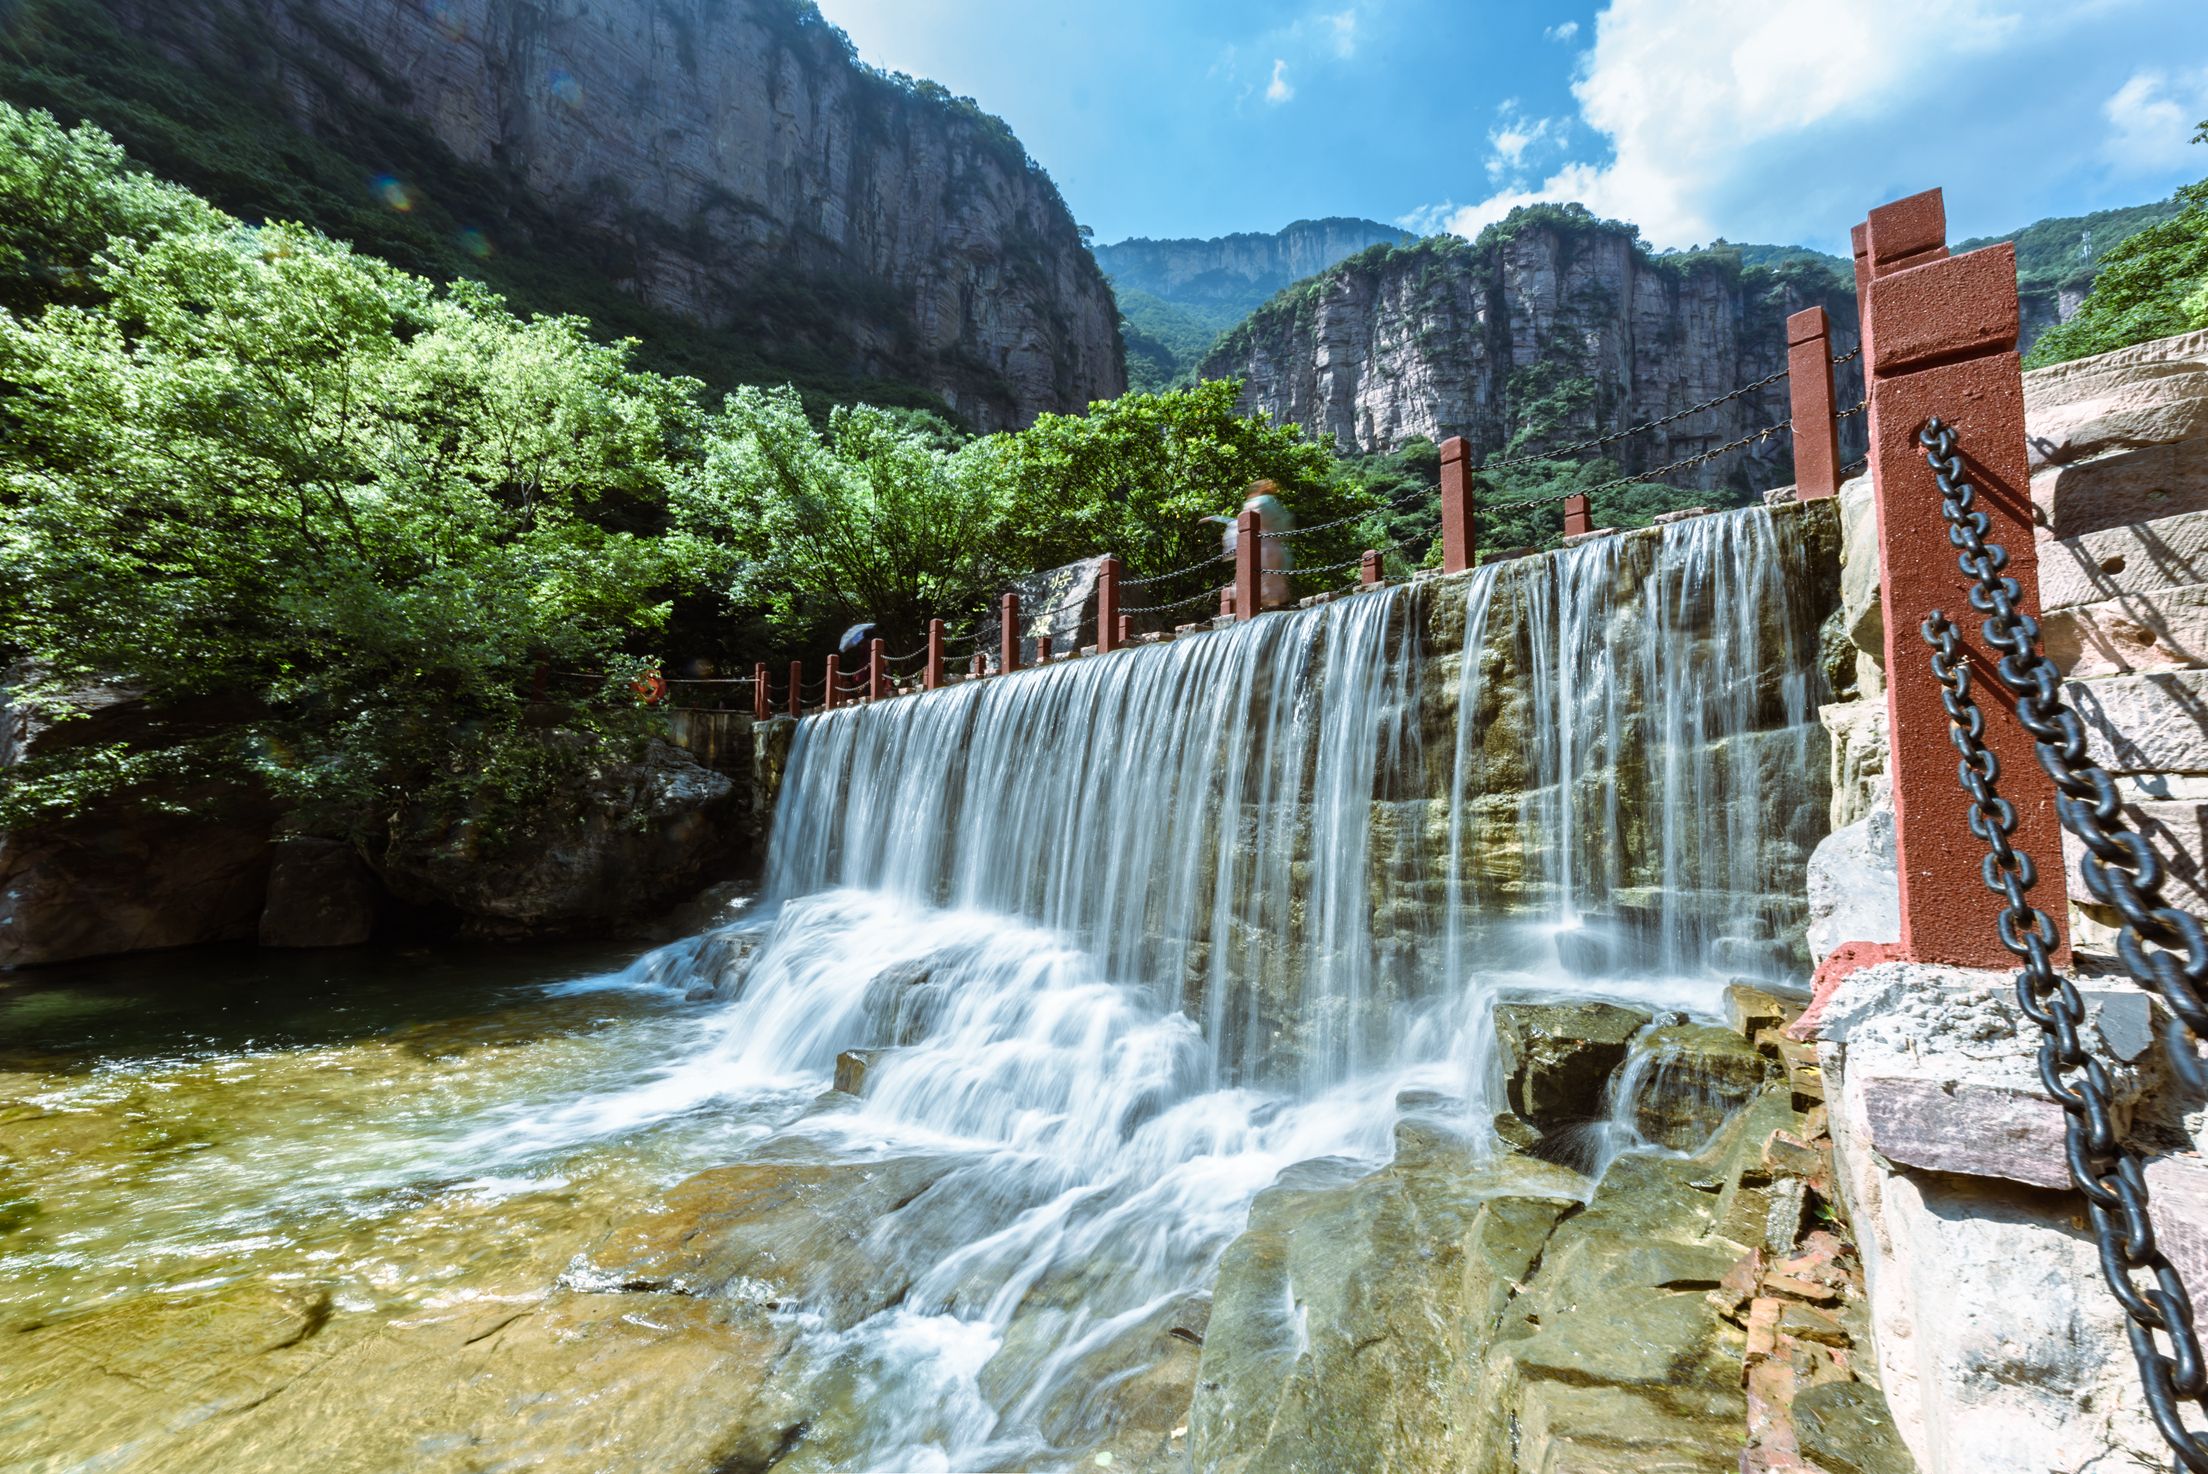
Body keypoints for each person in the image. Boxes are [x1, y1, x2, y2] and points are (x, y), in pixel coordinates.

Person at [1198, 480, 1295, 611]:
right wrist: (1216, 518)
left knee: (1254, 584)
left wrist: (1216, 519)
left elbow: (1242, 521)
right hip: (1273, 549)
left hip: (1260, 548)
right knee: (1270, 585)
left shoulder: (1257, 502)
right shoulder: (1274, 503)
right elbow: (1284, 525)